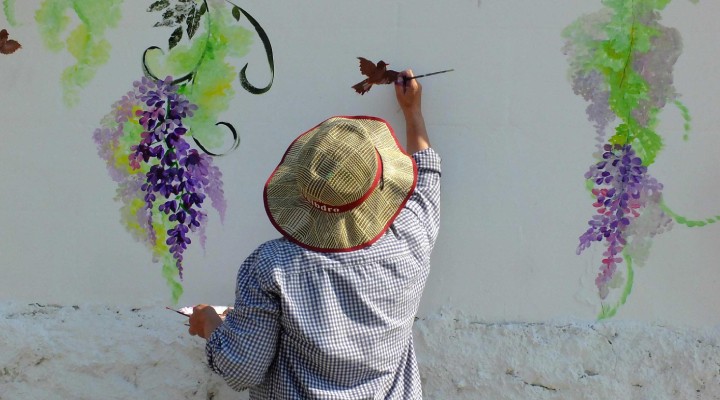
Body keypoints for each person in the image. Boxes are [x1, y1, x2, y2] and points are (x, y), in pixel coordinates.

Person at [188, 69, 441, 399]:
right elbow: (427, 176)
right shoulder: (412, 235)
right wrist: (413, 111)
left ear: (298, 186)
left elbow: (244, 369)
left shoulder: (271, 267)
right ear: (378, 183)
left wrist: (210, 325)